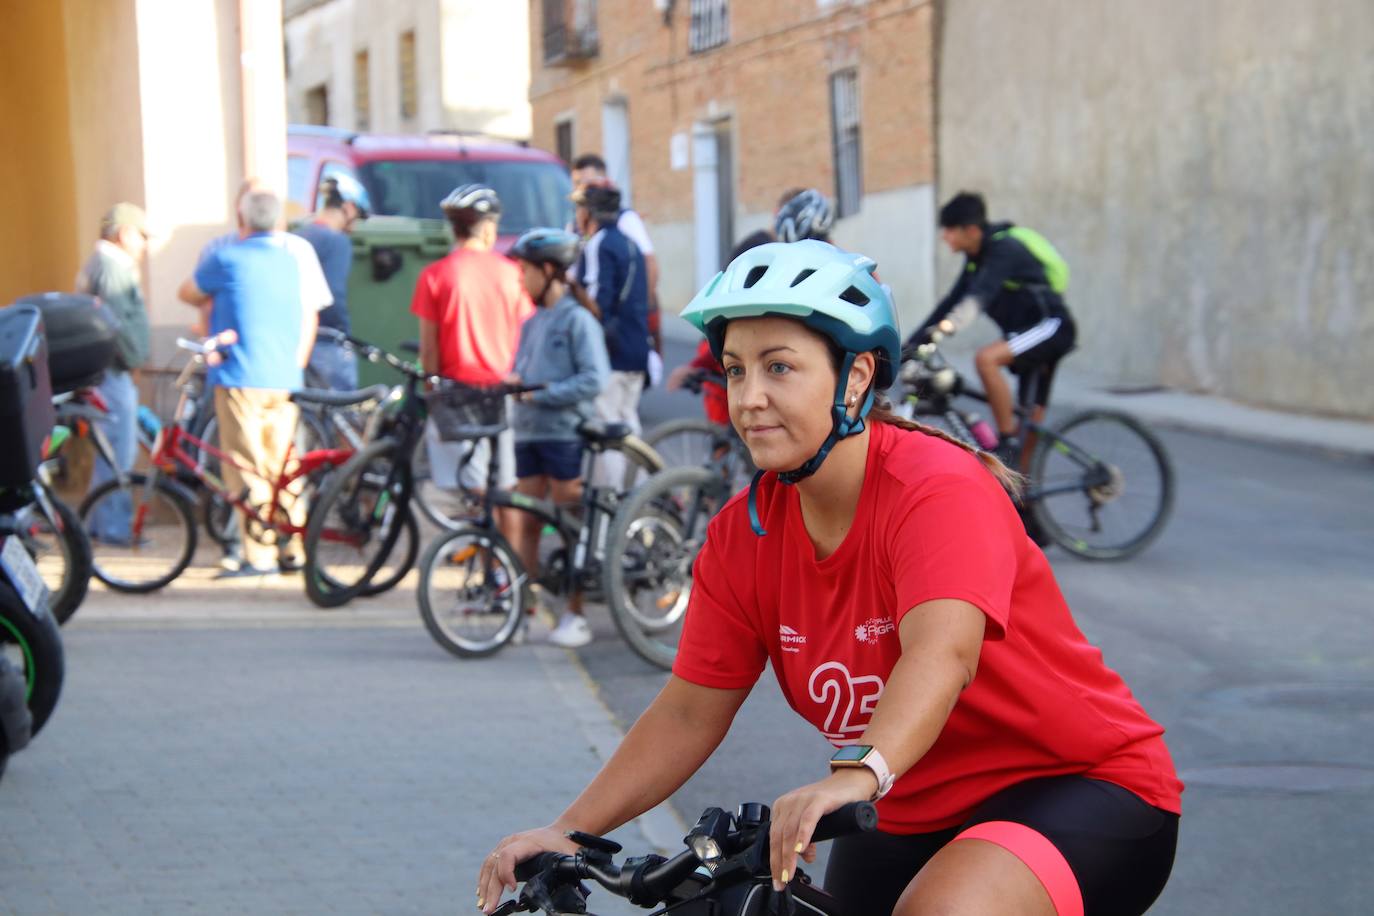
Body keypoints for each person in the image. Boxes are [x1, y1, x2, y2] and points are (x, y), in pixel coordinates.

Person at [476, 240, 1181, 916]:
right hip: (909, 803)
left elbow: (943, 652)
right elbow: (691, 709)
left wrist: (855, 775)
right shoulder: (740, 538)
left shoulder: (937, 489)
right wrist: (568, 830)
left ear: (858, 375)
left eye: (779, 367)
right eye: (736, 369)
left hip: (1078, 786)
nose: (748, 397)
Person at [182, 177, 333, 572]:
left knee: (245, 464)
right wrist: (297, 360)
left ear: (242, 217)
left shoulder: (226, 257)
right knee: (283, 463)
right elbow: (309, 313)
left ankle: (258, 554)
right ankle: (293, 547)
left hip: (239, 373)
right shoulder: (291, 259)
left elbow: (187, 291)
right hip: (284, 375)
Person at [911, 191, 1077, 465]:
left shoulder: (1004, 250)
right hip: (1026, 333)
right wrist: (910, 345)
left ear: (972, 230)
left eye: (951, 230)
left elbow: (979, 296)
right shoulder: (976, 258)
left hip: (1050, 326)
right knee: (1030, 416)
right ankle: (1024, 495)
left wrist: (950, 326)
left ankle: (1006, 441)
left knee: (986, 359)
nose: (945, 237)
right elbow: (953, 300)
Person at [505, 228, 610, 648]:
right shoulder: (532, 323)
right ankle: (524, 611)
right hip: (529, 434)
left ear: (549, 271)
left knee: (570, 526)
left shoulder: (577, 320)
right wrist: (516, 383)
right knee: (527, 523)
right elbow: (524, 369)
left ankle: (575, 612)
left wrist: (545, 395)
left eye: (526, 271)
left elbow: (594, 378)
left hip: (565, 436)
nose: (521, 280)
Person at [410, 184, 533, 507]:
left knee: (467, 487)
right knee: (503, 483)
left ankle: (476, 543)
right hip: (501, 388)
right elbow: (526, 331)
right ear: (489, 228)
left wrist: (430, 383)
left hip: (455, 391)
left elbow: (429, 349)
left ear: (454, 228)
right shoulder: (512, 274)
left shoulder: (435, 275)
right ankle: (502, 554)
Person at [74, 203, 152, 545]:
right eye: (142, 236)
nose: (145, 245)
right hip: (112, 371)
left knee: (113, 449)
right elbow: (115, 324)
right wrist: (134, 360)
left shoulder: (103, 263)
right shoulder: (113, 266)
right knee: (119, 452)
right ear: (124, 234)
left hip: (105, 370)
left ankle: (95, 523)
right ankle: (115, 528)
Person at [571, 179, 650, 489]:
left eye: (579, 208)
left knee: (608, 426)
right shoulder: (631, 244)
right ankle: (641, 492)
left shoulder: (598, 243)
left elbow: (598, 305)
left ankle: (617, 499)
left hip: (612, 352)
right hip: (637, 348)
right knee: (629, 424)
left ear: (589, 213)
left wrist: (572, 287)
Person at [570, 153, 661, 354]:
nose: (581, 188)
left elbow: (649, 263)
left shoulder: (624, 220)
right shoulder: (575, 227)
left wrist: (643, 312)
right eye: (576, 183)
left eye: (587, 182)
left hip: (615, 334)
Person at [295, 174, 371, 391]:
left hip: (296, 340)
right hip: (326, 342)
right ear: (347, 208)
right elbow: (333, 296)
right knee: (341, 416)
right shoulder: (337, 242)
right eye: (357, 216)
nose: (354, 226)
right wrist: (342, 335)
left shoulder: (301, 236)